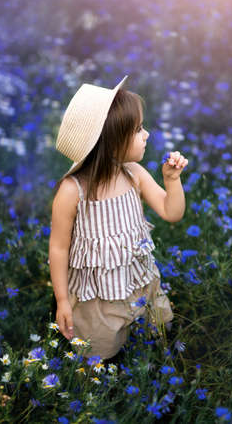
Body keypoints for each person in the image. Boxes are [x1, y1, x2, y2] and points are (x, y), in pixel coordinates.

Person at [48, 75, 188, 360]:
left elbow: (171, 213)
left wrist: (171, 181)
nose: (146, 134)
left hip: (141, 281)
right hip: (98, 298)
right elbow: (59, 248)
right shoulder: (72, 191)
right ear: (111, 142)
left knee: (157, 332)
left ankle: (154, 364)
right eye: (138, 129)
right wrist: (62, 301)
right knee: (99, 353)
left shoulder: (133, 174)